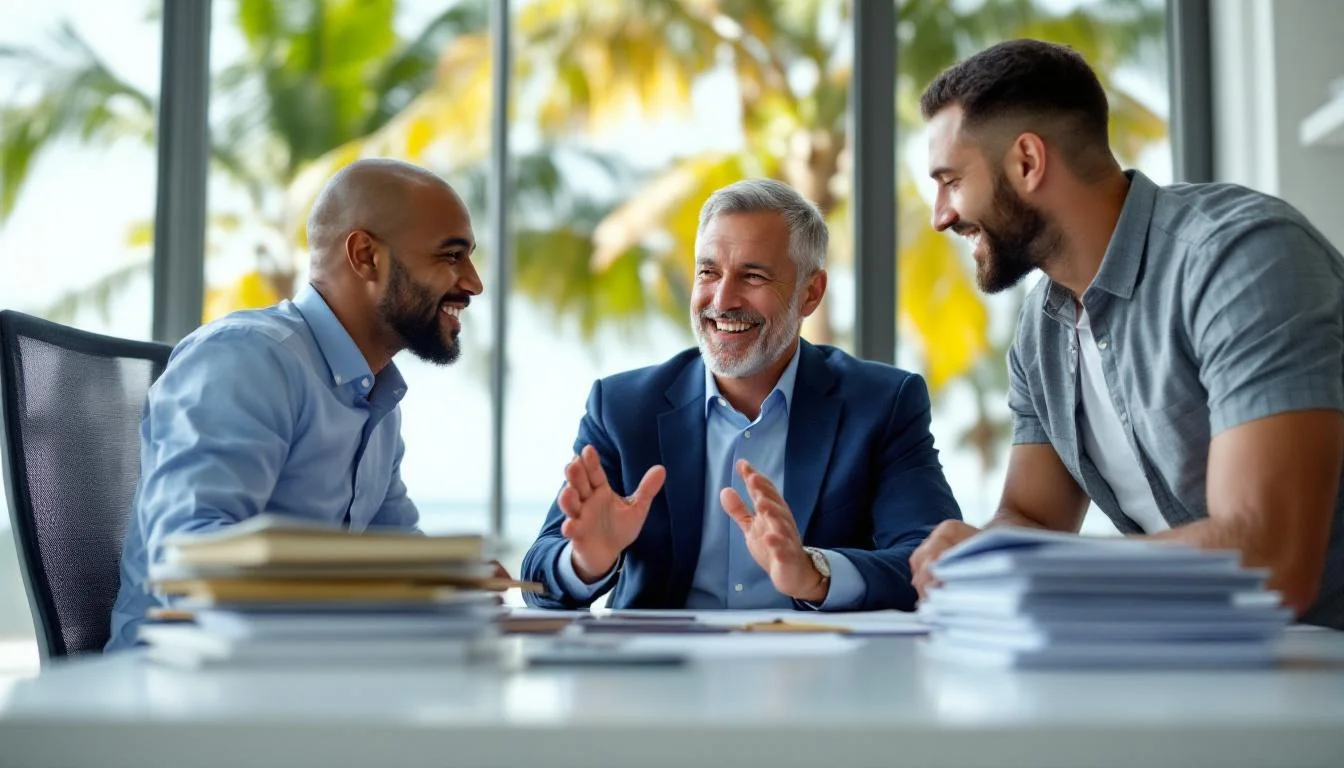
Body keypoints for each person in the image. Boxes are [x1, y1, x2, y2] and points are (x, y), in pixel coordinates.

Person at [908, 39, 1344, 629]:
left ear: (1027, 162)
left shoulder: (1242, 259)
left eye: (950, 180)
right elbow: (1031, 521)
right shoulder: (1040, 331)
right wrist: (978, 555)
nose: (940, 215)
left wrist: (1028, 567)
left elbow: (1269, 557)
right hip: (1200, 658)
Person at [521, 179, 962, 612]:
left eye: (752, 275)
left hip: (820, 674)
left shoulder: (882, 404)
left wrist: (816, 573)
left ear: (811, 292)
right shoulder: (623, 408)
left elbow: (934, 560)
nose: (723, 299)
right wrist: (586, 561)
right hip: (665, 675)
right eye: (708, 272)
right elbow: (537, 576)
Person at [106, 158, 485, 650]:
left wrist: (456, 593)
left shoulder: (377, 397)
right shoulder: (245, 360)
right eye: (451, 256)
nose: (474, 282)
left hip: (297, 683)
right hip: (186, 693)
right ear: (366, 256)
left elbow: (399, 561)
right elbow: (192, 563)